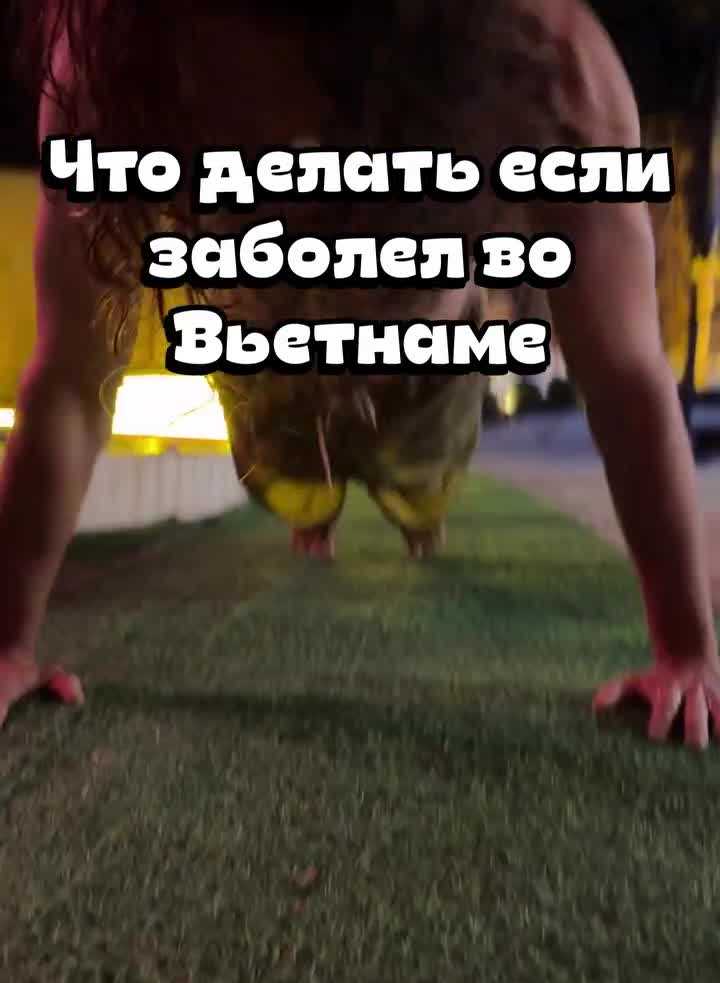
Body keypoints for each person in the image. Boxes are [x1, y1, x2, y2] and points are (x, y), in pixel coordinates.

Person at [1, 0, 718, 748]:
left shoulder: (553, 60)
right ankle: (319, 512)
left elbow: (624, 372)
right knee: (294, 492)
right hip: (268, 369)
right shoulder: (106, 70)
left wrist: (688, 651)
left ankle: (419, 514)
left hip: (425, 372)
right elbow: (71, 382)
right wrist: (8, 642)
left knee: (419, 492)